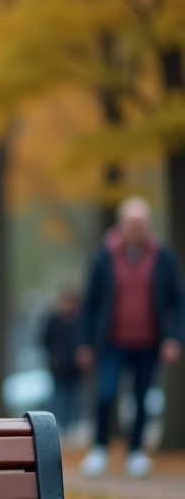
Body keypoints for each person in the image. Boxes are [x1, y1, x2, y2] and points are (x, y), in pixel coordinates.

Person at [77, 197, 185, 478]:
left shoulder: (163, 256)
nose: (136, 228)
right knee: (106, 393)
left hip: (149, 343)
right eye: (131, 222)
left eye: (141, 222)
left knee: (142, 398)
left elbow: (178, 299)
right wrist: (85, 342)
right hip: (112, 343)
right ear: (121, 224)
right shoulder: (104, 256)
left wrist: (174, 338)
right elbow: (90, 301)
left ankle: (135, 451)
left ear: (148, 225)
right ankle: (100, 448)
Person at [42, 289, 83, 438]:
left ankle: (71, 425)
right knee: (58, 396)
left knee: (74, 397)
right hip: (58, 367)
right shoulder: (54, 321)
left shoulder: (79, 321)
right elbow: (45, 340)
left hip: (74, 368)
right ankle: (57, 424)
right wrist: (54, 357)